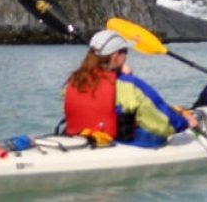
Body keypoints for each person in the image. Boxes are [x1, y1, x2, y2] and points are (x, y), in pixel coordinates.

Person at [63, 29, 197, 147]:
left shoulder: (71, 83)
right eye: (125, 51)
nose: (127, 56)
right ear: (116, 56)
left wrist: (118, 73)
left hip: (81, 137)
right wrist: (185, 121)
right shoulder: (129, 85)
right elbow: (163, 124)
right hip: (123, 142)